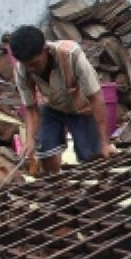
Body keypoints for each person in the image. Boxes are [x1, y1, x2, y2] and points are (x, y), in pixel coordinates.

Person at [9, 25, 116, 175]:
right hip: (52, 107)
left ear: (45, 49)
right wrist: (29, 140)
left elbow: (96, 98)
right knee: (44, 150)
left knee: (92, 157)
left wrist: (105, 143)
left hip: (82, 108)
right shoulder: (22, 70)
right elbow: (31, 108)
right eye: (27, 66)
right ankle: (54, 180)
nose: (31, 69)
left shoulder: (71, 55)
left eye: (35, 63)